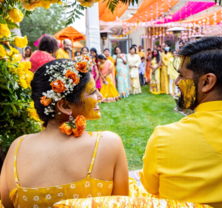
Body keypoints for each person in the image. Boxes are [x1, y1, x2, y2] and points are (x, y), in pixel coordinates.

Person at [140, 36, 222, 208]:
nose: (177, 83)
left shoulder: (163, 139)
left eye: (182, 76)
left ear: (207, 82)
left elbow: (150, 188)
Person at [0, 59, 129, 208]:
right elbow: (123, 203)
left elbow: (7, 203)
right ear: (65, 105)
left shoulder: (17, 148)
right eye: (93, 91)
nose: (100, 96)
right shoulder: (108, 144)